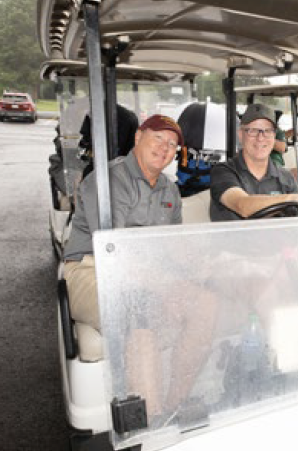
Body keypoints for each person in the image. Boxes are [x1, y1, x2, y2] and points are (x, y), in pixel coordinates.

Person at [63, 114, 217, 417]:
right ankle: (153, 422)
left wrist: (203, 267)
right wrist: (164, 286)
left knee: (206, 302)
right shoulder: (109, 180)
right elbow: (114, 252)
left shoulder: (169, 190)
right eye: (158, 137)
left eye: (172, 144)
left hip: (148, 274)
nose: (164, 147)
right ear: (137, 138)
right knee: (140, 304)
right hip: (92, 269)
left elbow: (174, 245)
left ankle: (175, 406)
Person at [210, 103, 298, 221]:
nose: (260, 138)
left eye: (267, 131)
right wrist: (292, 199)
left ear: (274, 136)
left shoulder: (286, 178)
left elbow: (294, 227)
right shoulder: (223, 172)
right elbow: (242, 205)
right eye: (253, 130)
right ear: (240, 135)